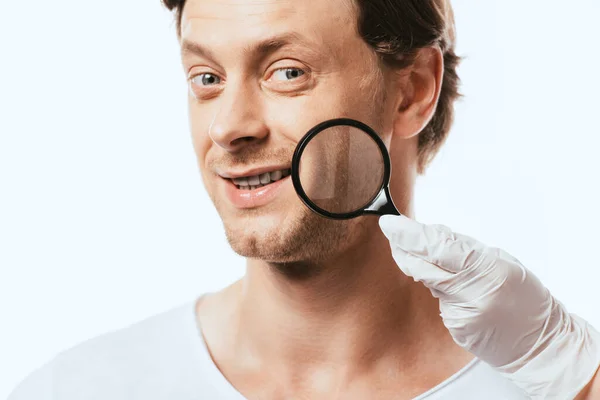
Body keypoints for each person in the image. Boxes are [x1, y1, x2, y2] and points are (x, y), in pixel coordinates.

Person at [8, 0, 600, 399]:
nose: (228, 128)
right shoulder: (78, 389)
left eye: (286, 72)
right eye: (207, 78)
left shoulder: (555, 380)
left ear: (412, 91)